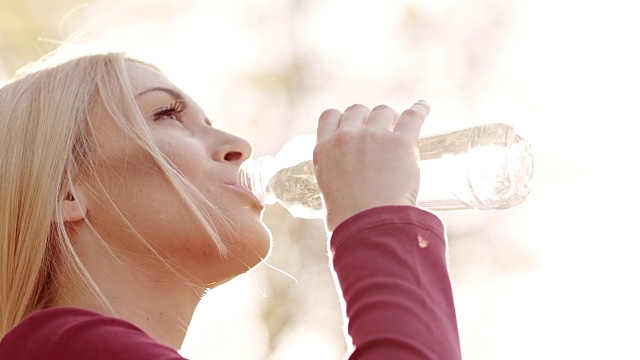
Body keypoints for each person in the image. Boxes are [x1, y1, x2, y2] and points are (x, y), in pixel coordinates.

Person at [0, 50, 462, 359]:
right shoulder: (61, 350)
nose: (238, 144)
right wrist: (377, 221)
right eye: (166, 114)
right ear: (65, 192)